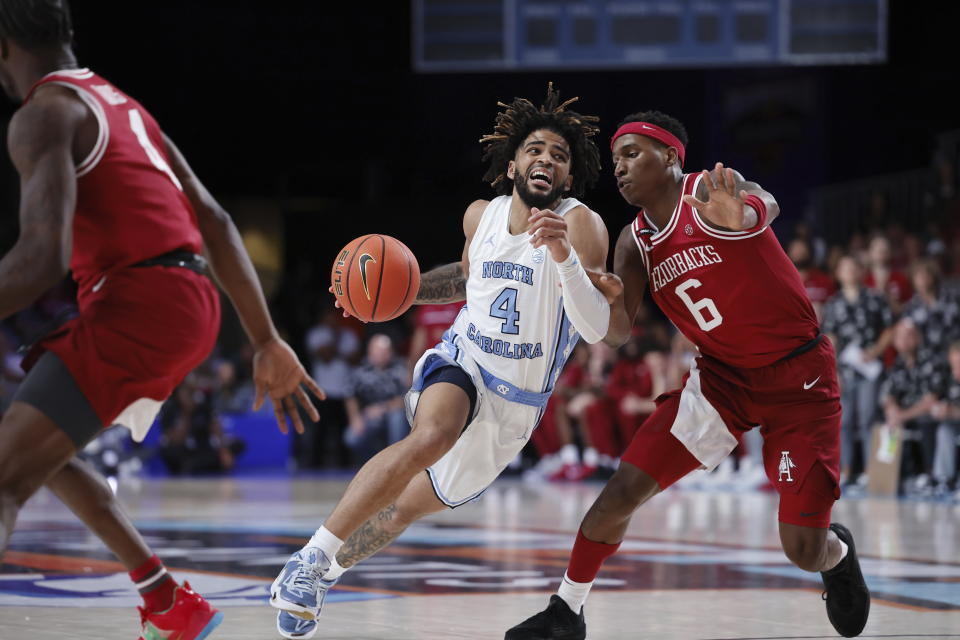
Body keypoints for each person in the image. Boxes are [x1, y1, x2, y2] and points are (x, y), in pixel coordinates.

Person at [0, 3, 324, 640]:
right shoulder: (119, 105)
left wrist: (264, 340)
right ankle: (168, 602)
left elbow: (42, 260)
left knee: (4, 477)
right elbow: (216, 221)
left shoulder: (43, 114)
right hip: (184, 296)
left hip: (140, 301)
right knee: (36, 450)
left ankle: (168, 601)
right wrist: (264, 338)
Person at [507, 110, 870, 639]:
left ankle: (836, 555)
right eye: (615, 161)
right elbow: (614, 334)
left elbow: (763, 204)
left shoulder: (710, 190)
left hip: (800, 382)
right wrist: (578, 280)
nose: (621, 169)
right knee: (622, 489)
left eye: (633, 154)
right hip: (723, 383)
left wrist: (742, 214)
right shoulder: (633, 243)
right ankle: (567, 610)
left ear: (672, 157)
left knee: (802, 548)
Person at [268, 83, 611, 639]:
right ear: (513, 164)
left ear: (568, 177)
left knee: (403, 510)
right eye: (535, 149)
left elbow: (596, 327)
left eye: (559, 155)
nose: (546, 159)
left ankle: (323, 573)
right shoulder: (484, 215)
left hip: (516, 406)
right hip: (464, 359)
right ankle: (310, 555)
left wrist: (564, 256)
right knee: (433, 434)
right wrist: (398, 297)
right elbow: (465, 278)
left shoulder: (584, 226)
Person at [822, 254, 894, 485]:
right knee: (844, 420)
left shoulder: (874, 298)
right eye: (845, 268)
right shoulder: (833, 304)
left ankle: (869, 470)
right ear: (838, 274)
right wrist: (833, 372)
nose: (850, 271)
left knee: (868, 417)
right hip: (845, 370)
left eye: (854, 267)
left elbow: (889, 329)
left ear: (861, 272)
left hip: (870, 369)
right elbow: (830, 339)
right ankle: (845, 469)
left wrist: (875, 351)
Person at [343, 334, 409, 464]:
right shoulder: (361, 370)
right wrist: (355, 418)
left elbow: (407, 398)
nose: (381, 355)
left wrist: (382, 408)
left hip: (395, 415)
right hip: (370, 417)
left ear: (391, 352)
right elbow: (350, 395)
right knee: (351, 438)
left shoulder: (401, 369)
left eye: (385, 351)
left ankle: (394, 461)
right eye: (377, 351)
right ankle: (374, 463)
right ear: (370, 351)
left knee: (396, 417)